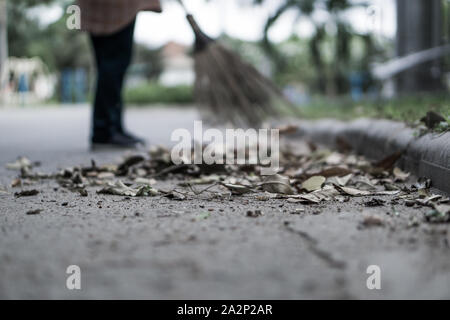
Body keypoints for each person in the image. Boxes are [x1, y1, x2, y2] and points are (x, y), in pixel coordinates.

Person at [77, 0, 162, 149]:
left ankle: (112, 128)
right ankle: (105, 131)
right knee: (114, 64)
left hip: (97, 7)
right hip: (116, 7)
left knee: (107, 63)